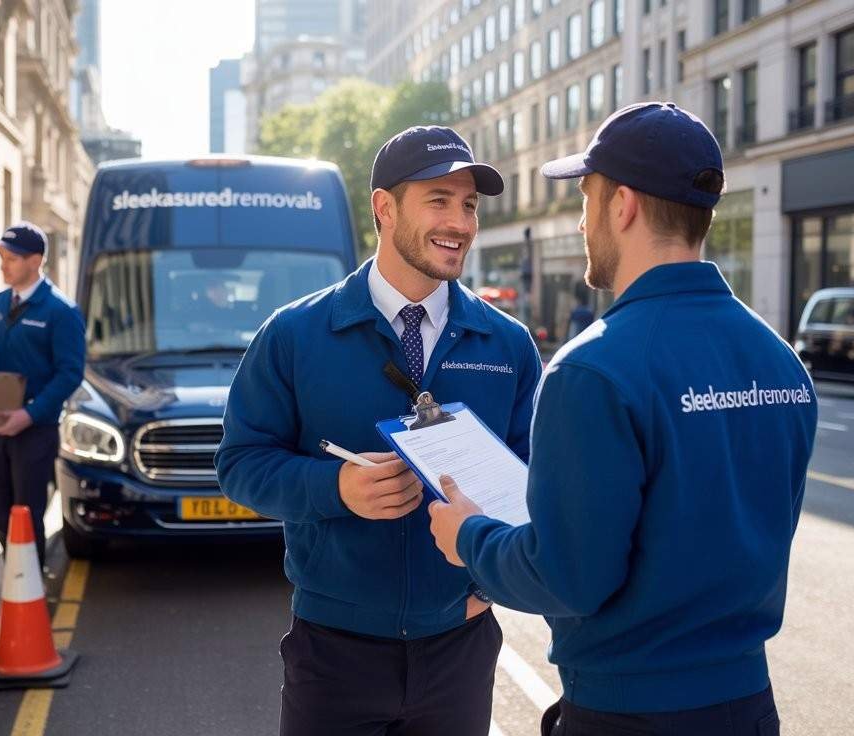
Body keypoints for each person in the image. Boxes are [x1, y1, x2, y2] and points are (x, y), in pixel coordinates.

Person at [427, 103, 818, 735]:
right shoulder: (779, 361)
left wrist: (468, 535)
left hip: (630, 711)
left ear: (623, 205)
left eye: (586, 198)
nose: (582, 222)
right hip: (747, 706)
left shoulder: (594, 370)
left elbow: (569, 578)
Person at [216, 126, 542, 736]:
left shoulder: (508, 344)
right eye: (439, 200)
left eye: (469, 204)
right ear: (384, 209)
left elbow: (536, 484)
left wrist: (487, 583)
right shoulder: (294, 335)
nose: (462, 222)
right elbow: (239, 464)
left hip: (460, 648)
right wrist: (335, 488)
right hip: (334, 653)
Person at [0, 222, 85, 567]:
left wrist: (29, 414)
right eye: (1, 257)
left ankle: (27, 588)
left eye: (11, 258)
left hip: (34, 430)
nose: (3, 265)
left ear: (35, 261)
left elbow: (70, 374)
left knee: (27, 515)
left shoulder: (61, 311)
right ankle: (16, 574)